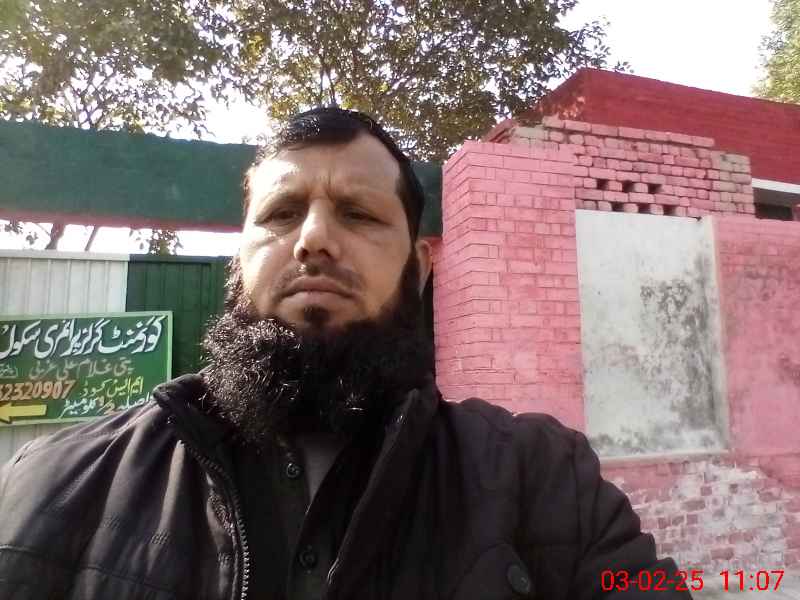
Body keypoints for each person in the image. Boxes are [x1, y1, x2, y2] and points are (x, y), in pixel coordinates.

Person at [0, 107, 692, 600]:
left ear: (419, 269)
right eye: (281, 214)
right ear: (238, 263)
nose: (313, 240)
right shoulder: (57, 480)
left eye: (359, 214)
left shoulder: (544, 481)